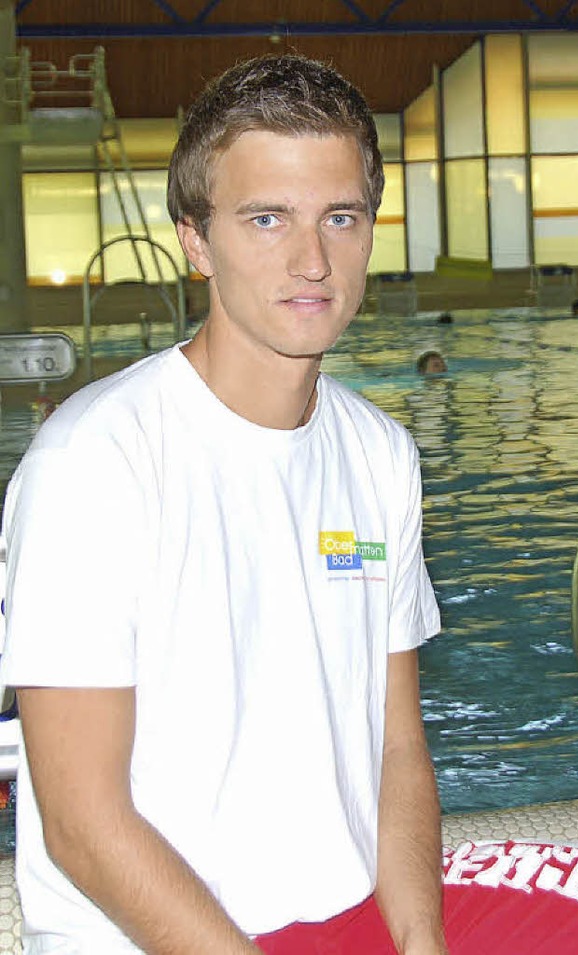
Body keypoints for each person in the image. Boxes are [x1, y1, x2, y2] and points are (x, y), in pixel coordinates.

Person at [0, 55, 447, 954]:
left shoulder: (380, 454)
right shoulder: (96, 463)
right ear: (195, 241)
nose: (312, 259)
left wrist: (422, 942)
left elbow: (399, 747)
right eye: (267, 218)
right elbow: (84, 826)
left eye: (341, 218)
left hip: (343, 923)